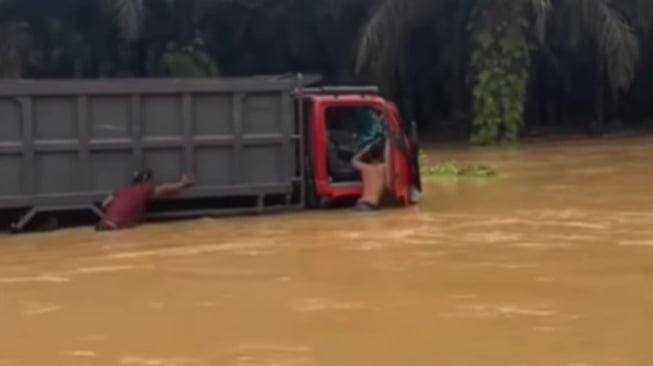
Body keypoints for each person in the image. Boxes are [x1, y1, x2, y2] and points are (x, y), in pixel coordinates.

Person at [96, 170, 194, 231]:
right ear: (144, 182)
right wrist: (182, 185)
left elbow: (104, 204)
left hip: (103, 224)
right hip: (116, 227)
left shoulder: (120, 191)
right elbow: (163, 189)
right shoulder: (143, 190)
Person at [351, 138, 387, 211]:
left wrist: (366, 150)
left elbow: (353, 160)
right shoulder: (383, 168)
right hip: (371, 206)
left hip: (359, 204)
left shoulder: (365, 168)